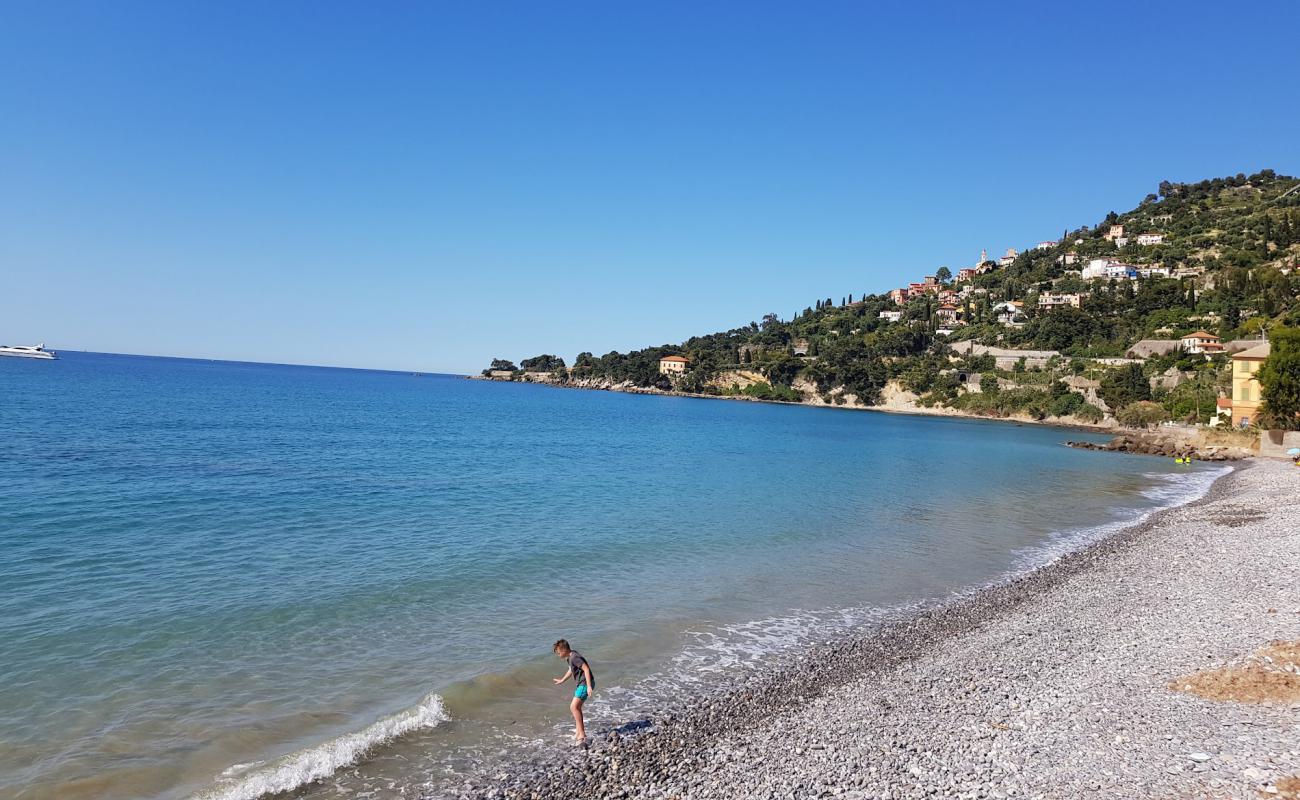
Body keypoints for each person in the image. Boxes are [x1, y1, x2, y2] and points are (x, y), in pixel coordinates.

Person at [552, 639, 595, 742]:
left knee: (573, 707)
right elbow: (571, 669)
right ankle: (579, 731)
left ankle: (582, 734)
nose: (558, 655)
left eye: (558, 653)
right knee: (577, 707)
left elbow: (586, 669)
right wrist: (562, 680)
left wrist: (588, 686)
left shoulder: (574, 657)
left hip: (585, 684)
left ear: (563, 650)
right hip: (582, 684)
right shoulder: (571, 656)